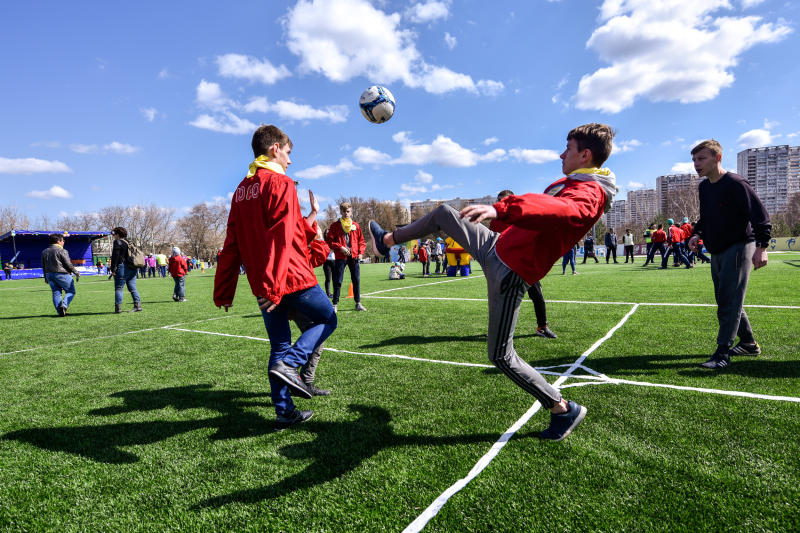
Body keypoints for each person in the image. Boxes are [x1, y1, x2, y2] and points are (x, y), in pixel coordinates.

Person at [369, 123, 617, 440]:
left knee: (500, 355)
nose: (560, 154)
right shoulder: (578, 181)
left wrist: (503, 207)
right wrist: (498, 217)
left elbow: (559, 210)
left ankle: (562, 409)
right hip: (495, 247)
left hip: (510, 270)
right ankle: (386, 240)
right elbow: (541, 212)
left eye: (567, 149)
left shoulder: (590, 193)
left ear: (584, 154)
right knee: (445, 212)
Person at [214, 124, 337, 427]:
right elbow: (283, 237)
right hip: (288, 277)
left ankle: (284, 411)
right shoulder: (280, 183)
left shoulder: (242, 189)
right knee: (328, 318)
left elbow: (232, 241)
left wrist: (224, 289)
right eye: (288, 152)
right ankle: (292, 366)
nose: (290, 160)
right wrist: (274, 285)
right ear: (274, 149)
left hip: (263, 281)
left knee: (279, 344)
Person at [687, 140, 770, 369]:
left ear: (718, 158)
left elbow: (760, 215)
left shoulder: (735, 183)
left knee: (728, 302)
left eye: (701, 159)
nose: (696, 164)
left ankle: (722, 353)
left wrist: (761, 248)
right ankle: (748, 343)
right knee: (727, 300)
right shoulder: (704, 187)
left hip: (740, 245)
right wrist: (697, 233)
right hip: (717, 250)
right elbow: (706, 217)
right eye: (694, 159)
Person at [493, 190, 558, 338]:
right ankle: (498, 331)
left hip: (524, 264)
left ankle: (542, 327)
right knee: (501, 300)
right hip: (503, 265)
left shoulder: (523, 215)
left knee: (537, 295)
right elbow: (491, 241)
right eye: (499, 200)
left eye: (504, 200)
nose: (501, 203)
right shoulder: (495, 221)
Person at [325, 201, 367, 312]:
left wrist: (361, 253)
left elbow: (361, 241)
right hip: (340, 256)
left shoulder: (356, 226)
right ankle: (334, 304)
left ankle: (358, 303)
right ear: (340, 212)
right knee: (338, 280)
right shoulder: (334, 226)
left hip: (354, 257)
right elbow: (329, 241)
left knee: (356, 280)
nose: (346, 213)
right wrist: (340, 247)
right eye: (344, 211)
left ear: (351, 212)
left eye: (348, 211)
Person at [41, 233, 80, 316]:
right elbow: (68, 263)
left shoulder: (44, 251)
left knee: (56, 293)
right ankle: (64, 306)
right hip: (61, 273)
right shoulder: (62, 250)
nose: (64, 242)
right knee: (71, 291)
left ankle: (60, 312)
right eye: (63, 240)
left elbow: (43, 265)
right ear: (59, 241)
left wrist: (45, 277)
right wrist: (75, 272)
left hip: (49, 274)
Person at [109, 226, 142, 313]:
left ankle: (118, 308)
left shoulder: (118, 242)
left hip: (122, 267)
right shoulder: (129, 242)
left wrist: (113, 269)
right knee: (133, 287)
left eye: (114, 234)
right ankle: (137, 305)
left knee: (119, 288)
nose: (113, 236)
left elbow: (115, 257)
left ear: (117, 234)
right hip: (132, 267)